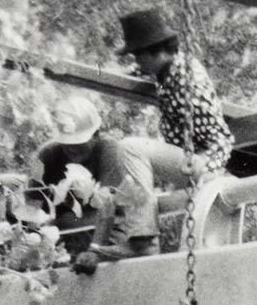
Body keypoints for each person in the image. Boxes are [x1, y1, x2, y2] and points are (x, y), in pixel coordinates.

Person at [24, 96, 173, 275]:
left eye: (80, 142)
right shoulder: (47, 155)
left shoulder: (107, 148)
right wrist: (31, 245)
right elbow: (32, 207)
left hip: (110, 227)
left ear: (96, 134)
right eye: (68, 142)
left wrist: (96, 250)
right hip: (68, 228)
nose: (73, 148)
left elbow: (107, 204)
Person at [116, 7, 235, 190]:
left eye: (139, 55)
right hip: (186, 159)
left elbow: (221, 138)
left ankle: (143, 218)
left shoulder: (189, 81)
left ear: (158, 51)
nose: (137, 61)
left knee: (129, 147)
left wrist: (209, 172)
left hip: (202, 165)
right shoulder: (167, 70)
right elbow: (141, 69)